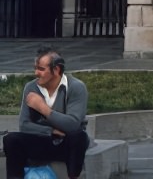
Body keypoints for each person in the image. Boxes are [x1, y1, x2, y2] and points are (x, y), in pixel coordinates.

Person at [2, 47, 91, 179]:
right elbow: (25, 125)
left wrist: (43, 109)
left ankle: (74, 176)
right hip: (43, 140)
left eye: (41, 69)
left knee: (78, 136)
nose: (36, 73)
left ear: (56, 70)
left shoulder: (76, 87)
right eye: (35, 68)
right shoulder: (31, 87)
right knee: (11, 140)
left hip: (67, 142)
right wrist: (51, 131)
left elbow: (72, 124)